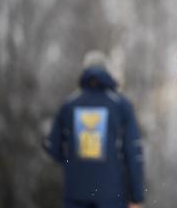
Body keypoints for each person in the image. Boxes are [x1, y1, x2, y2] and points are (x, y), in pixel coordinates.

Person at [43, 50, 144, 208]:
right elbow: (133, 153)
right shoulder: (121, 105)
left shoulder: (69, 105)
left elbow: (51, 146)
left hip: (74, 195)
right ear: (106, 72)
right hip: (111, 197)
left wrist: (73, 163)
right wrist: (136, 196)